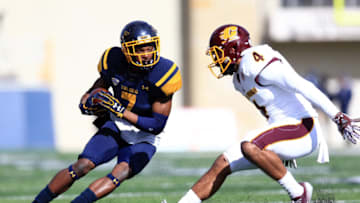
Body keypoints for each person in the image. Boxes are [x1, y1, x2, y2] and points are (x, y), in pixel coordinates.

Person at [177, 24, 360, 203]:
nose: (217, 60)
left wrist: (337, 116)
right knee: (223, 163)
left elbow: (302, 85)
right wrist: (278, 147)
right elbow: (273, 108)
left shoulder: (255, 62)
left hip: (302, 126)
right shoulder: (239, 80)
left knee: (250, 145)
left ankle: (298, 193)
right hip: (286, 128)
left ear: (233, 49)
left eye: (219, 53)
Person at [33, 20, 182, 203]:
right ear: (127, 50)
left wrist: (120, 111)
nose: (147, 54)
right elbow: (92, 93)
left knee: (121, 172)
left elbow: (156, 125)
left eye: (150, 48)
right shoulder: (113, 61)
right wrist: (88, 104)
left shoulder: (164, 73)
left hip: (144, 135)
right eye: (140, 49)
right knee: (82, 165)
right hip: (117, 126)